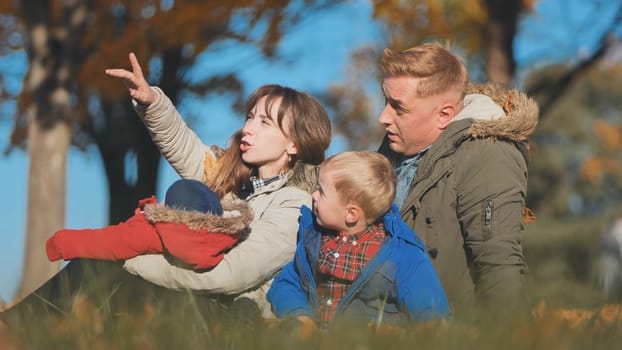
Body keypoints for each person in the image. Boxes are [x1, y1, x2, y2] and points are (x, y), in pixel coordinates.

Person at [0, 53, 331, 326]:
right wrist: (152, 101)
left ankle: (15, 330)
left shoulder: (294, 206)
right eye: (249, 116)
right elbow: (185, 147)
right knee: (94, 270)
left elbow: (230, 277)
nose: (247, 128)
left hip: (231, 316)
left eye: (264, 123)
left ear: (294, 145)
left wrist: (129, 256)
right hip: (194, 294)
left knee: (102, 266)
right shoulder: (235, 180)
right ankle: (16, 329)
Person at [376, 43, 539, 319]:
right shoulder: (393, 150)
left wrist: (516, 339)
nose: (383, 117)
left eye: (398, 108)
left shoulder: (487, 154)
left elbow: (498, 261)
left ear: (444, 115)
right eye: (385, 101)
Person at [267, 151, 449, 330]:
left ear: (351, 214)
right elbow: (288, 282)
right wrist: (300, 315)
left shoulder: (402, 255)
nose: (313, 195)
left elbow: (431, 314)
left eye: (321, 192)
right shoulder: (314, 238)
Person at [45, 179, 253, 271]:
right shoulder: (222, 238)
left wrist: (61, 242)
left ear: (172, 212)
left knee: (89, 268)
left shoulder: (153, 231)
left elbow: (108, 241)